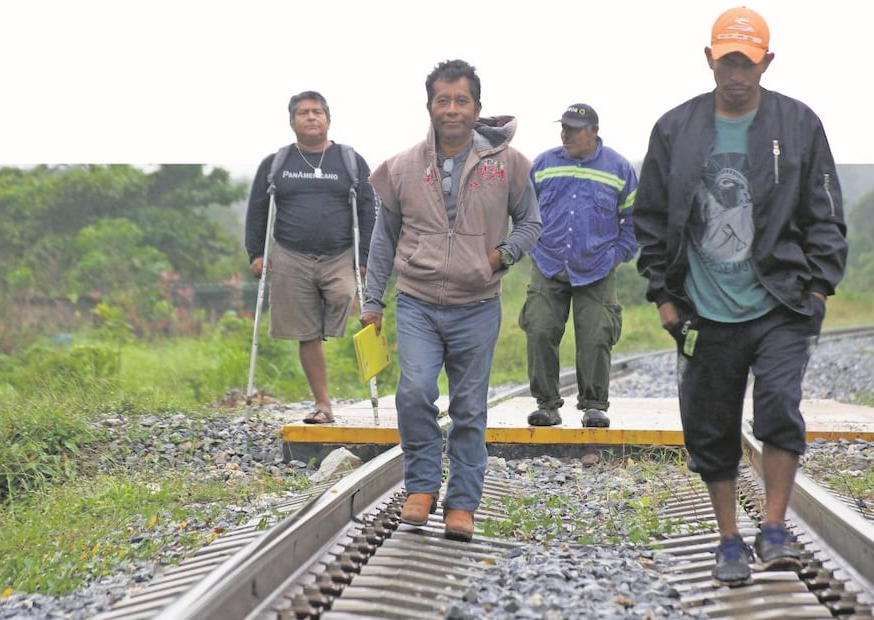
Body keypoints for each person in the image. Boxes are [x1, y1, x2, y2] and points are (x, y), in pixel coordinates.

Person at [632, 7, 847, 587]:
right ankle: (728, 538)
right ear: (709, 59)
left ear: (766, 63)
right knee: (711, 426)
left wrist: (819, 288)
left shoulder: (799, 125)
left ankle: (774, 529)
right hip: (703, 310)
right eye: (726, 60)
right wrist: (664, 297)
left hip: (782, 302)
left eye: (747, 62)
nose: (736, 73)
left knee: (779, 408)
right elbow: (648, 217)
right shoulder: (675, 129)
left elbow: (825, 214)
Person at [360, 59, 541, 542]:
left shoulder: (509, 163)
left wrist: (501, 256)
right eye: (443, 100)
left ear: (477, 107)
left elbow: (531, 223)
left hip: (478, 304)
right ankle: (421, 487)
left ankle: (462, 503)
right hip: (417, 301)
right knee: (414, 392)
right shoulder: (402, 167)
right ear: (430, 107)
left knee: (469, 408)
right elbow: (383, 239)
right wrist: (372, 301)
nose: (453, 109)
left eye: (462, 100)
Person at [245, 91, 377, 424]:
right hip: (291, 256)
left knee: (343, 295)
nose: (311, 117)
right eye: (303, 112)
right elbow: (258, 211)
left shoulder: (350, 161)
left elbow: (368, 210)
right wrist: (255, 254)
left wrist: (365, 258)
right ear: (292, 122)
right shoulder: (277, 164)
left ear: (328, 119)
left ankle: (324, 326)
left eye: (317, 111)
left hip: (340, 254)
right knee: (306, 335)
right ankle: (323, 404)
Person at [521, 104, 639, 429]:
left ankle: (594, 406)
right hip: (548, 263)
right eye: (564, 128)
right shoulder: (543, 164)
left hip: (598, 268)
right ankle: (546, 405)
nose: (566, 134)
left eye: (573, 129)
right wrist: (531, 244)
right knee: (540, 328)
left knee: (596, 335)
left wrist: (617, 255)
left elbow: (633, 220)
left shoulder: (618, 168)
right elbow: (523, 212)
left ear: (594, 131)